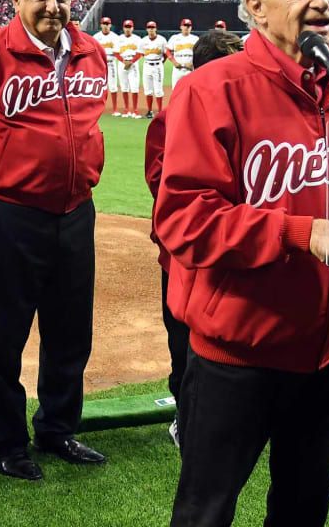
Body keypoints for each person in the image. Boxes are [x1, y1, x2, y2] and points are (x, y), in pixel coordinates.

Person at [157, 0, 329, 526]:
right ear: (256, 7)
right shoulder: (209, 89)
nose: (322, 1)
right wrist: (299, 232)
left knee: (302, 512)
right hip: (238, 353)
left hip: (327, 352)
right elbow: (183, 219)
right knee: (205, 514)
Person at [0, 0, 110, 481]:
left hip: (75, 213)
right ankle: (9, 442)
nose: (53, 6)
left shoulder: (91, 54)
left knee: (70, 333)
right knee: (4, 334)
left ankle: (59, 428)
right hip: (10, 216)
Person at [144, 30, 244, 448]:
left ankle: (234, 419)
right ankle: (187, 420)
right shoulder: (178, 112)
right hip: (186, 256)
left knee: (234, 341)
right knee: (184, 342)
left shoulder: (244, 106)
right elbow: (161, 181)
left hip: (234, 249)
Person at [91, 16, 122, 115]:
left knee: (113, 86)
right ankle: (97, 108)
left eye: (107, 24)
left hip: (111, 62)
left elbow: (117, 52)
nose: (105, 26)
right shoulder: (96, 37)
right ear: (101, 25)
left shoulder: (115, 37)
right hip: (99, 64)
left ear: (110, 25)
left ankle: (115, 109)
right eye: (104, 24)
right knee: (98, 86)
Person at [114, 19, 143, 117]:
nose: (128, 29)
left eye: (129, 27)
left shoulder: (137, 39)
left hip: (133, 63)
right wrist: (123, 61)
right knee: (124, 86)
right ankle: (126, 110)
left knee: (134, 87)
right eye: (126, 27)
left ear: (132, 28)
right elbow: (116, 52)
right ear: (123, 28)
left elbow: (139, 53)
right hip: (122, 63)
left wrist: (131, 62)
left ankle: (135, 110)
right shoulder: (119, 39)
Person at [140, 20, 169, 117]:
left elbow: (166, 54)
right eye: (149, 28)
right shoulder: (143, 40)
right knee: (148, 90)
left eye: (152, 27)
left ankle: (160, 111)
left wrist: (161, 63)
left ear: (156, 29)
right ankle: (149, 111)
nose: (151, 29)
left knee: (158, 90)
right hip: (147, 65)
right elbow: (142, 54)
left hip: (158, 66)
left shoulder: (162, 40)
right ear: (146, 29)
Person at [167, 19, 198, 91]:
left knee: (190, 91)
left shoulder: (195, 39)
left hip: (190, 69)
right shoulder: (174, 38)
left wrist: (193, 63)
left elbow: (199, 53)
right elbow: (167, 51)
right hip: (177, 69)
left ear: (191, 28)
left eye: (188, 26)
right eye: (185, 25)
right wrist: (174, 62)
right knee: (175, 91)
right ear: (181, 27)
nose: (186, 27)